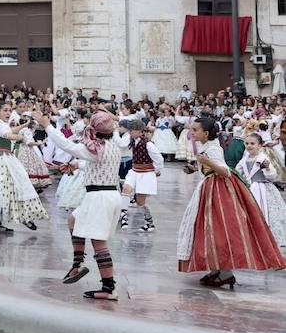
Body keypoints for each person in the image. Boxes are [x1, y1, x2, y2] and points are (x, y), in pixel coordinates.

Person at [176, 116, 285, 288]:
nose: (192, 132)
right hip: (209, 187)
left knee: (220, 230)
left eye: (195, 130)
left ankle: (225, 272)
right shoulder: (206, 145)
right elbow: (208, 168)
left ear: (205, 133)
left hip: (218, 191)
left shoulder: (213, 148)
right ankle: (216, 270)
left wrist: (206, 161)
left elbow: (225, 171)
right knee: (210, 230)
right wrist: (195, 167)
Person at [51, 110, 125, 300]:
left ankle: (109, 288)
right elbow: (97, 162)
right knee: (73, 220)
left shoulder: (97, 148)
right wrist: (77, 165)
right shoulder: (112, 147)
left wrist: (47, 126)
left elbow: (68, 146)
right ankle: (77, 265)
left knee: (99, 242)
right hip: (107, 195)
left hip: (99, 196)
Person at [237, 132, 286, 250]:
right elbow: (238, 172)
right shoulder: (244, 159)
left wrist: (267, 168)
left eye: (252, 143)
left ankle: (265, 237)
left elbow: (273, 176)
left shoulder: (263, 158)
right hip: (248, 188)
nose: (249, 146)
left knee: (264, 211)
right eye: (247, 143)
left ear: (259, 145)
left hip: (263, 189)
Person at [120, 119, 163, 233]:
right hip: (134, 171)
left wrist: (157, 170)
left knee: (140, 201)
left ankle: (149, 222)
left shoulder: (148, 144)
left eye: (132, 130)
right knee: (126, 188)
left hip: (145, 173)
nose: (130, 132)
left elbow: (158, 158)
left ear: (139, 131)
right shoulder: (133, 141)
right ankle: (123, 216)